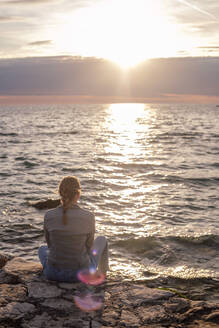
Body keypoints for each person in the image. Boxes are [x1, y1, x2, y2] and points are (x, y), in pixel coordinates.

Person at [38, 176, 109, 282]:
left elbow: (50, 245)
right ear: (78, 194)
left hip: (53, 273)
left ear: (60, 193)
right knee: (102, 239)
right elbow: (89, 247)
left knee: (42, 249)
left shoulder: (49, 215)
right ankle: (103, 275)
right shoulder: (88, 216)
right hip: (81, 275)